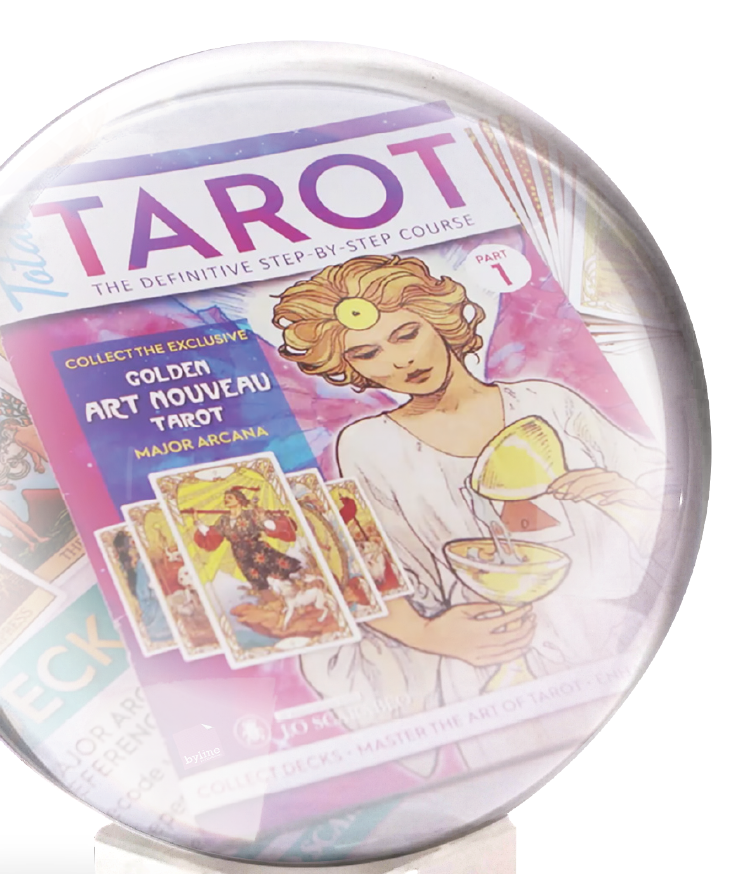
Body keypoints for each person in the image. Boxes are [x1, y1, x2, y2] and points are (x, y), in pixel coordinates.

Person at [273, 254, 667, 767]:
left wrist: (623, 495)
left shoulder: (546, 401)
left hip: (614, 633)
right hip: (487, 651)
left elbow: (666, 483)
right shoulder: (368, 444)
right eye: (368, 353)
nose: (399, 361)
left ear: (439, 320)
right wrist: (428, 633)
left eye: (407, 334)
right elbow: (372, 567)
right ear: (351, 368)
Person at [191, 487, 302, 593]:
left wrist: (263, 517)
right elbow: (214, 533)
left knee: (280, 569)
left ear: (239, 500)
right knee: (257, 581)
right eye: (225, 498)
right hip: (241, 555)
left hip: (258, 549)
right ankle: (273, 601)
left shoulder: (250, 514)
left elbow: (270, 527)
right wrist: (197, 521)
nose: (226, 500)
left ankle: (301, 588)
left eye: (230, 497)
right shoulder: (223, 520)